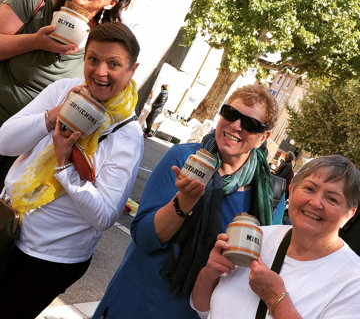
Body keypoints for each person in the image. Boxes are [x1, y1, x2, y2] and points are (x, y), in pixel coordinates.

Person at [92, 84, 279, 319]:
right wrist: (184, 201)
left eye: (250, 124)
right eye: (231, 113)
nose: (236, 125)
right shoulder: (184, 158)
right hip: (137, 301)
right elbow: (144, 237)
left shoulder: (265, 193)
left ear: (265, 137)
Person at [0, 21, 143, 319]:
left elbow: (105, 216)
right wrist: (54, 115)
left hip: (48, 258)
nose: (100, 72)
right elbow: (4, 142)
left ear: (132, 70)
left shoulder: (127, 135)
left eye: (113, 64)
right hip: (5, 222)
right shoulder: (65, 90)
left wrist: (65, 164)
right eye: (93, 59)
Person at [0, 0, 135, 189]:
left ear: (111, 2)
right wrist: (35, 41)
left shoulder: (98, 47)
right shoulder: (37, 1)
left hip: (31, 147)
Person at [191, 155, 360, 319]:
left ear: (348, 215)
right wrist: (209, 273)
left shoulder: (353, 280)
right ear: (292, 190)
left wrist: (277, 299)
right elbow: (203, 310)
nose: (316, 203)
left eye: (332, 199)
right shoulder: (257, 236)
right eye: (309, 189)